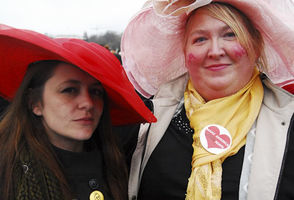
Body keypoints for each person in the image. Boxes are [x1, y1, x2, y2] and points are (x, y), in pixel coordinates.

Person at [118, 0, 294, 200]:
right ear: (185, 53)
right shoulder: (145, 121)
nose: (215, 51)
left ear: (255, 46)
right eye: (200, 39)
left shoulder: (289, 122)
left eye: (230, 34)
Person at [0, 24, 156, 200]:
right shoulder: (7, 173)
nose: (88, 103)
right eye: (69, 90)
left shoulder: (122, 162)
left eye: (96, 92)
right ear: (35, 103)